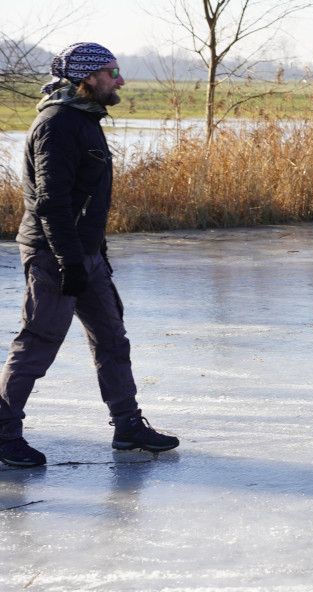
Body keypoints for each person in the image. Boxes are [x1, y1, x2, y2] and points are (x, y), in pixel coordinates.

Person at [0, 43, 179, 468]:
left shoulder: (85, 118)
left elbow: (85, 200)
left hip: (85, 255)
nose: (120, 79)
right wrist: (68, 261)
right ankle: (4, 433)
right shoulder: (58, 123)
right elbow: (51, 201)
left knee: (113, 340)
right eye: (112, 71)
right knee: (38, 343)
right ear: (87, 78)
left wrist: (95, 254)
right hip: (54, 255)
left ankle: (128, 427)